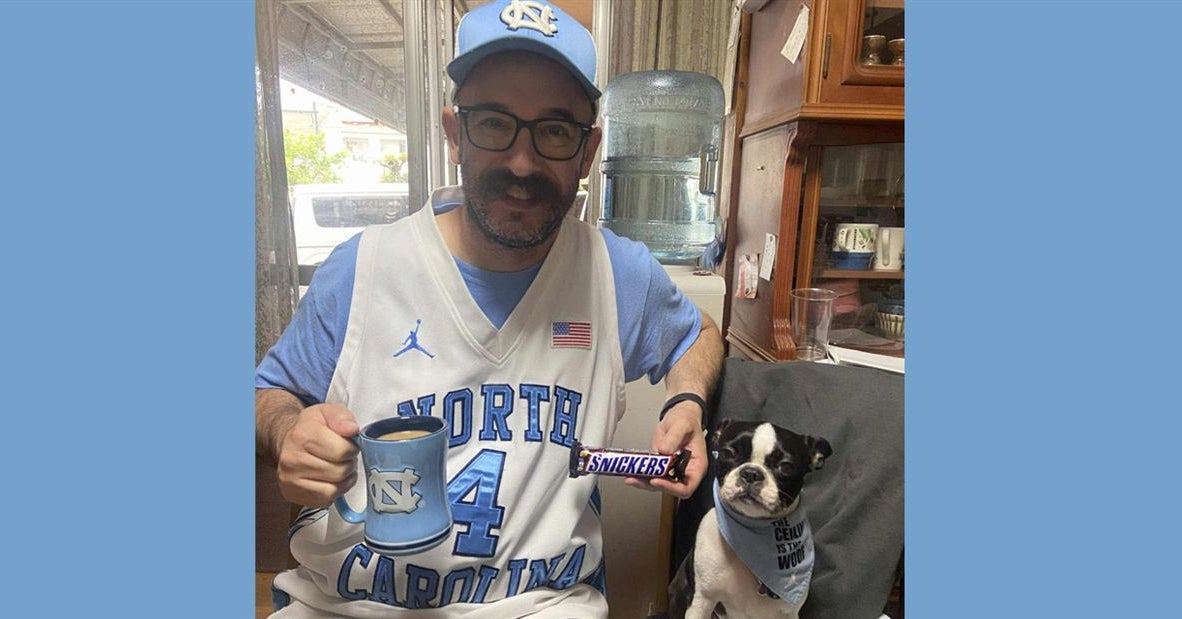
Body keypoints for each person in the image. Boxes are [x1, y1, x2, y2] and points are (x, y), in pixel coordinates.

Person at [255, 0, 724, 616]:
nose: (523, 163)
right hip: (347, 604)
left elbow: (698, 336)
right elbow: (267, 396)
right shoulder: (362, 268)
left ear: (589, 152)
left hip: (540, 604)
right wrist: (289, 432)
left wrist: (686, 400)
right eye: (494, 123)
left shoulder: (618, 273)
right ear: (454, 133)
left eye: (555, 130)